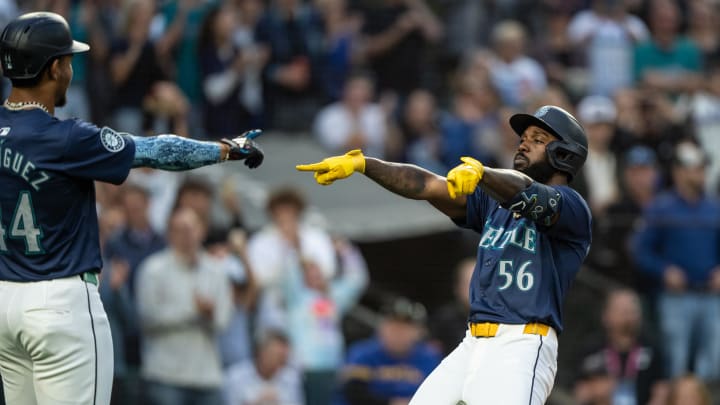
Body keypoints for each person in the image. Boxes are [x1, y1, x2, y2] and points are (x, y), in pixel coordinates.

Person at [0, 12, 264, 405]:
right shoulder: (66, 137)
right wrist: (226, 149)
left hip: (5, 303)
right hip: (59, 303)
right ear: (54, 67)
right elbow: (158, 151)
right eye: (69, 61)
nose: (72, 69)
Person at [297, 104, 592, 404]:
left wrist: (483, 173)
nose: (524, 142)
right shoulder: (493, 203)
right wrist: (365, 164)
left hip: (523, 343)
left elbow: (531, 194)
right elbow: (428, 185)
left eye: (538, 138)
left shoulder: (572, 207)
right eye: (523, 137)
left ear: (563, 154)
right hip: (472, 342)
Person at [632, 141, 720, 380]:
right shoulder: (661, 208)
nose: (700, 173)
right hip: (675, 297)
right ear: (678, 171)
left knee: (714, 363)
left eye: (702, 168)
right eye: (694, 168)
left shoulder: (714, 208)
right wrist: (664, 271)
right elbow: (640, 251)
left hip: (711, 296)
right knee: (675, 361)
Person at [135, 207, 233, 405]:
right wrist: (191, 311)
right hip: (165, 375)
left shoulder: (217, 271)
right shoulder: (153, 269)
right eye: (180, 229)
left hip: (206, 377)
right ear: (169, 233)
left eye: (191, 228)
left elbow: (223, 321)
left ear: (202, 231)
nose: (187, 235)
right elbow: (147, 319)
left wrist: (209, 315)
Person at [574, 289, 668, 405]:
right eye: (623, 311)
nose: (629, 317)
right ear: (606, 316)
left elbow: (661, 391)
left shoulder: (652, 349)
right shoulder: (592, 348)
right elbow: (580, 392)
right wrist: (596, 390)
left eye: (633, 311)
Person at [340, 298, 441, 405]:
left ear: (419, 332)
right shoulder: (362, 353)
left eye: (405, 328)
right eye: (393, 326)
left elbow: (439, 393)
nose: (398, 333)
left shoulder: (429, 357)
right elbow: (354, 394)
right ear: (381, 327)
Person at [223, 329, 305, 405]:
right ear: (261, 352)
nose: (281, 362)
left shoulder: (291, 377)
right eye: (276, 356)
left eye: (284, 358)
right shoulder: (235, 377)